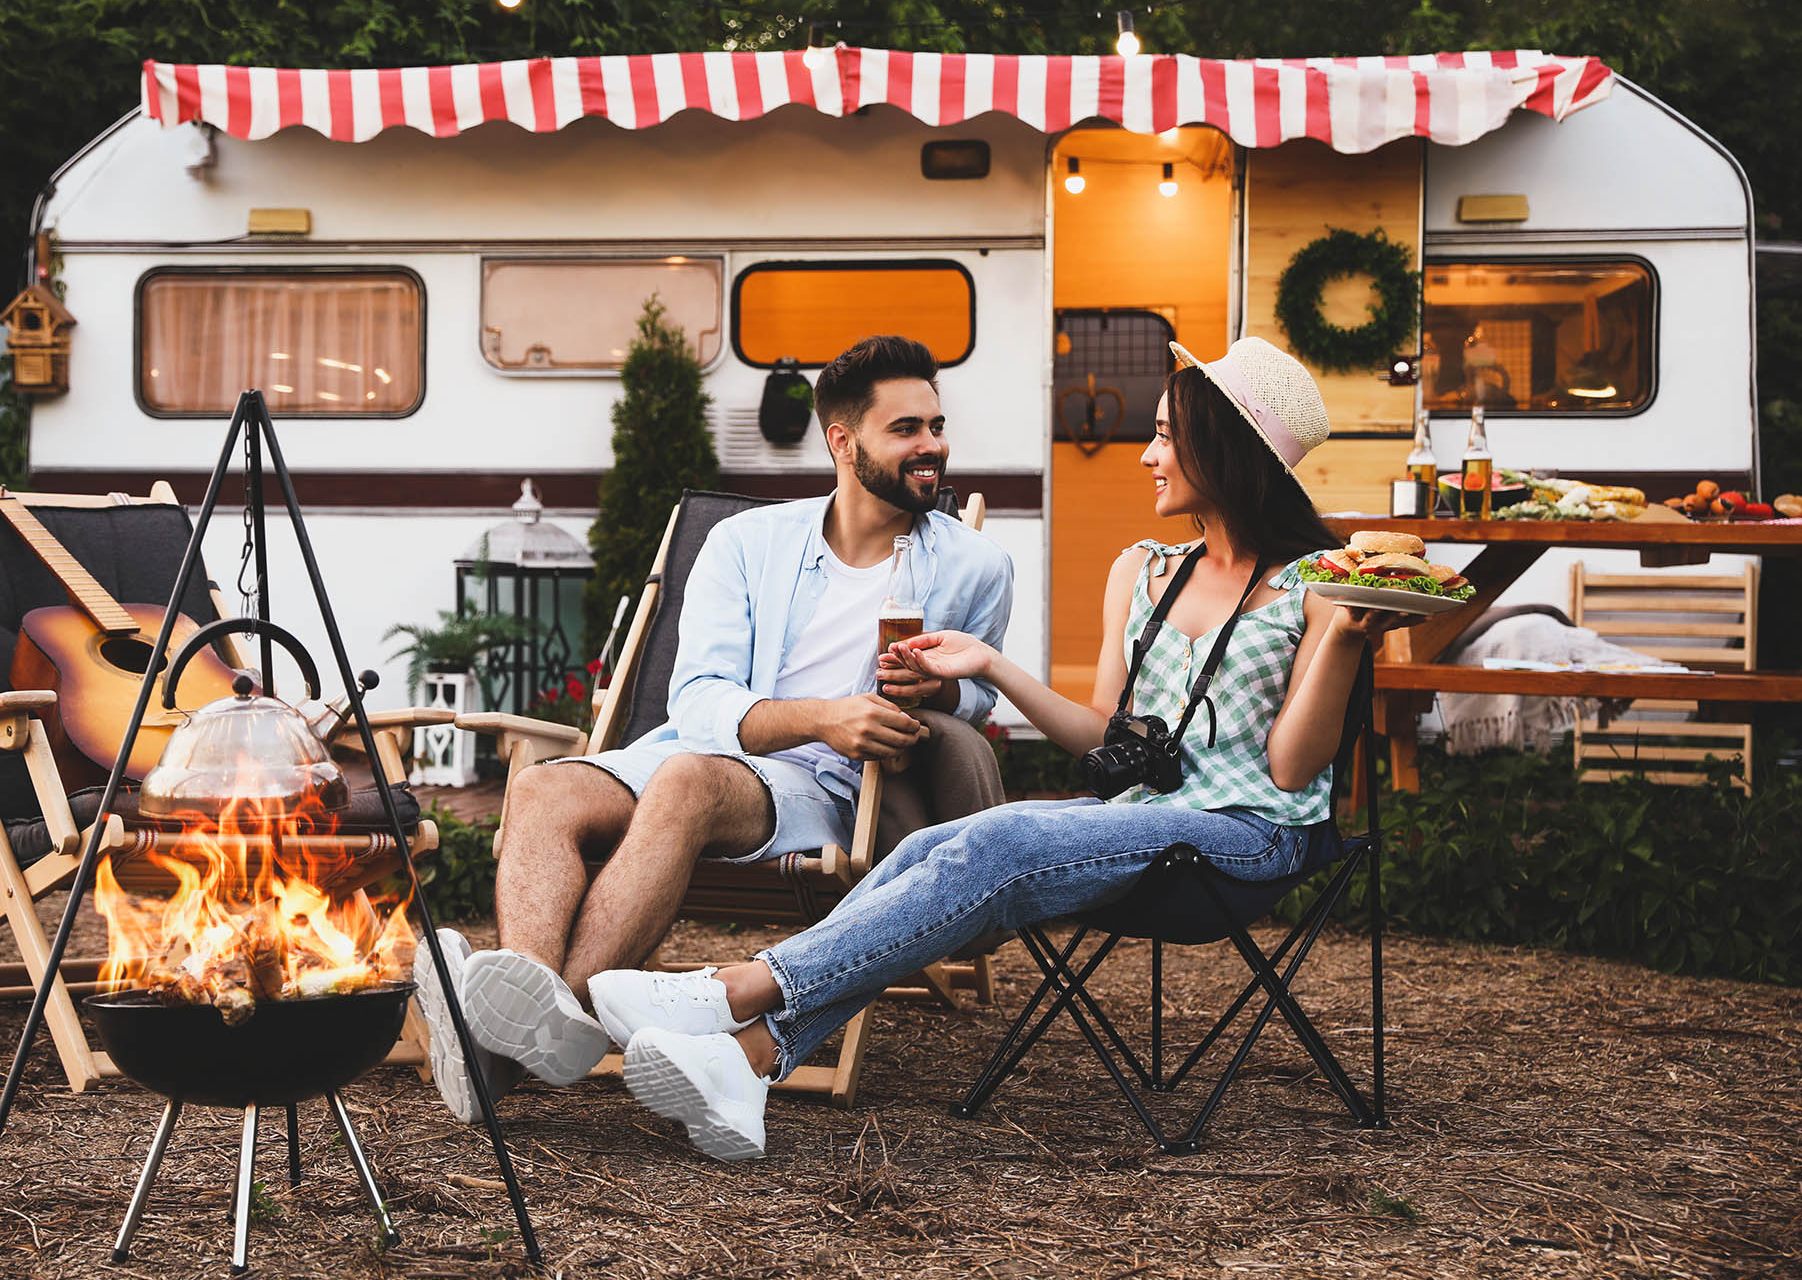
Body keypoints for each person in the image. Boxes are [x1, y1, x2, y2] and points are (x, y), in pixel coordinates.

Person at [585, 335, 1419, 1160]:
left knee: (1002, 838)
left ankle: (736, 989)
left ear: (1225, 448)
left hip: (1249, 836)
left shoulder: (1322, 583)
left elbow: (1292, 770)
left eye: (1166, 435)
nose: (1147, 455)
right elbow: (1103, 736)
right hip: (1142, 820)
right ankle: (750, 1063)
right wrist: (990, 666)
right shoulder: (1146, 570)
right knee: (932, 846)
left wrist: (1346, 640)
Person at [415, 334, 1016, 1122]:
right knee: (540, 789)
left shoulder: (974, 566)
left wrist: (941, 692)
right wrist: (823, 716)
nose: (932, 446)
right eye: (907, 429)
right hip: (699, 751)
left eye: (936, 426)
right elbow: (697, 702)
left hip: (830, 789)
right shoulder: (746, 543)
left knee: (687, 783)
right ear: (843, 441)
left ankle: (499, 1050)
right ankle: (528, 1006)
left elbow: (977, 703)